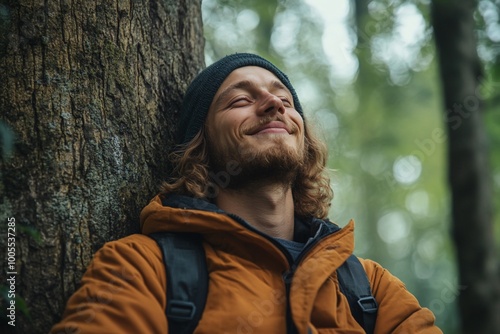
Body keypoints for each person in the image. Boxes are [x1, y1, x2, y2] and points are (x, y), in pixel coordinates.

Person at [51, 53, 442, 333]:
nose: (274, 104)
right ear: (199, 146)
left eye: (285, 101)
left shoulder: (369, 286)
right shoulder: (143, 269)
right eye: (241, 100)